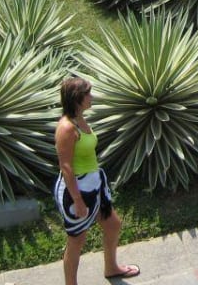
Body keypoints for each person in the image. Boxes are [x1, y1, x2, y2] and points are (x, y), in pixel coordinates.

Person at [54, 77, 140, 284]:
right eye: (88, 94)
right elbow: (66, 167)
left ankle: (111, 268)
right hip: (76, 190)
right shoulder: (67, 128)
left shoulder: (80, 119)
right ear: (77, 99)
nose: (92, 97)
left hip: (94, 184)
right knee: (77, 240)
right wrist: (77, 200)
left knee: (112, 225)